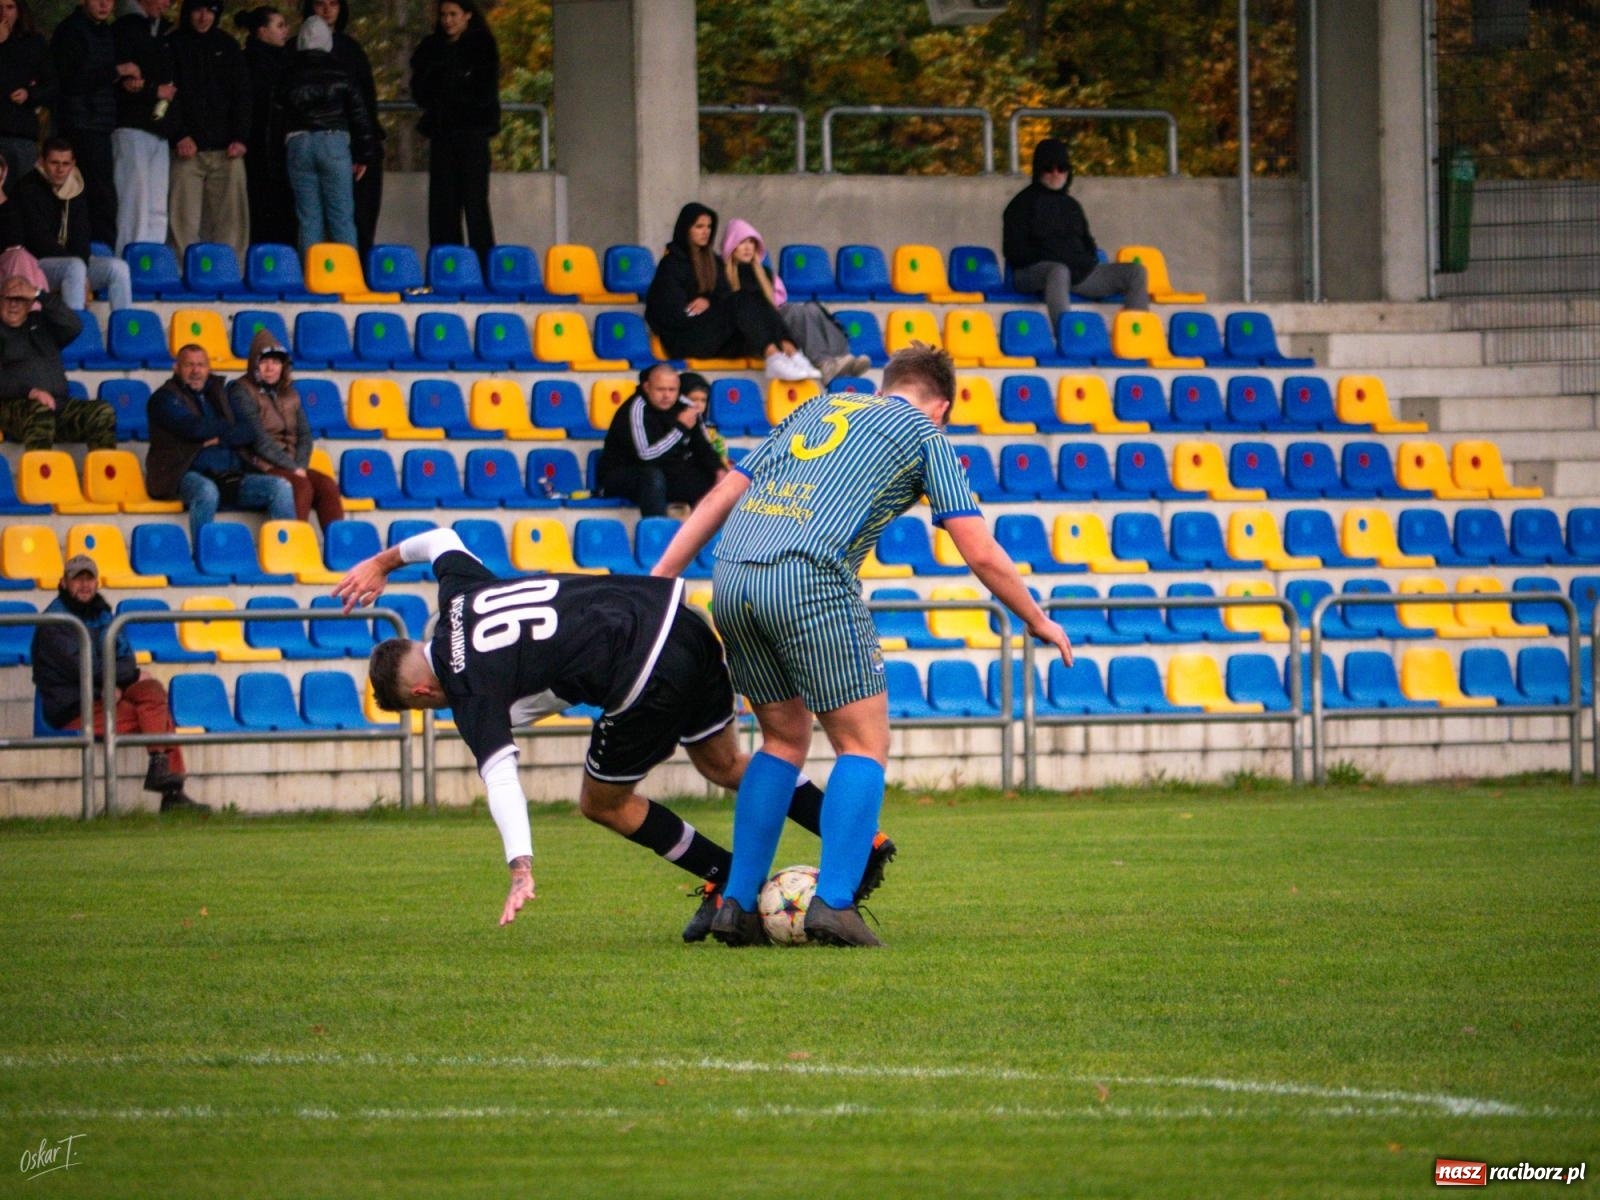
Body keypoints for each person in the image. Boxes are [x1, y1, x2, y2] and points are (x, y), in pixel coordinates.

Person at [651, 343, 1074, 947]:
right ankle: (835, 903)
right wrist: (1036, 618)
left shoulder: (815, 408)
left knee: (781, 740)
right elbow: (977, 548)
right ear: (942, 407)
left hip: (735, 575)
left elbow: (722, 495)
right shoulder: (926, 435)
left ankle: (737, 906)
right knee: (864, 742)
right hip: (809, 575)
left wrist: (662, 578)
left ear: (884, 386)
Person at [333, 527, 895, 939]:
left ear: (423, 693)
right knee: (724, 763)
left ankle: (725, 880)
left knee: (602, 801)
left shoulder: (465, 688)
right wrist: (382, 563)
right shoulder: (460, 595)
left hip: (640, 669)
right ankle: (860, 841)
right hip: (680, 618)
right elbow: (438, 539)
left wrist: (520, 867)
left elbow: (501, 779)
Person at [31, 554, 208, 812]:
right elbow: (83, 669)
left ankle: (161, 769)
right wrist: (114, 681)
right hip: (75, 706)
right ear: (63, 583)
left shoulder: (105, 615)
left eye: (88, 579)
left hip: (109, 695)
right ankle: (171, 791)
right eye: (77, 579)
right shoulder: (56, 623)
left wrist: (119, 680)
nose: (84, 585)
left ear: (97, 582)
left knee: (153, 690)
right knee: (156, 718)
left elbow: (127, 659)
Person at [645, 202, 819, 383]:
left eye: (709, 227)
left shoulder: (712, 261)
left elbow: (722, 294)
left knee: (754, 298)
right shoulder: (671, 265)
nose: (706, 232)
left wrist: (708, 300)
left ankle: (790, 352)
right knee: (741, 299)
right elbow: (666, 314)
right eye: (699, 227)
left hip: (713, 336)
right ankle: (774, 356)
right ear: (686, 229)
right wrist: (698, 310)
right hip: (686, 338)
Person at [145, 343, 295, 542]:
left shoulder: (221, 393)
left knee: (280, 487)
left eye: (201, 365)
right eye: (189, 365)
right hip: (182, 473)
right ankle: (204, 555)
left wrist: (220, 439)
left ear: (209, 368)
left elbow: (250, 429)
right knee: (206, 492)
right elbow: (194, 428)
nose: (196, 371)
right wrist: (227, 425)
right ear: (176, 368)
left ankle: (288, 554)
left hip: (228, 475)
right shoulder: (163, 398)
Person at [1003, 137, 1149, 329]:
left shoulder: (1072, 206)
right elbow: (1013, 251)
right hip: (1033, 273)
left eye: (1061, 168)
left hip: (1078, 273)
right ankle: (1067, 335)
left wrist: (1083, 262)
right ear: (1038, 170)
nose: (1055, 173)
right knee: (1058, 271)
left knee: (1136, 272)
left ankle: (1136, 336)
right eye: (1048, 168)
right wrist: (1051, 256)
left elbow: (1088, 243)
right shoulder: (1021, 205)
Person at [721, 216, 868, 386]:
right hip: (751, 337)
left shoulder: (765, 273)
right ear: (731, 245)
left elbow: (776, 304)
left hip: (775, 328)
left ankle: (839, 359)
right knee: (794, 310)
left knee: (811, 308)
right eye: (742, 242)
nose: (748, 247)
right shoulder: (722, 276)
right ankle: (824, 362)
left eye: (751, 242)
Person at [409, 0, 498, 270]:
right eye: (444, 15)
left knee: (475, 203)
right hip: (442, 133)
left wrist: (455, 91)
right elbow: (420, 91)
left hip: (472, 133)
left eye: (454, 15)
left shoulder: (482, 47)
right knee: (443, 205)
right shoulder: (431, 49)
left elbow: (483, 91)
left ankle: (483, 267)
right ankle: (447, 266)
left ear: (468, 15)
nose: (448, 20)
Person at [226, 327, 343, 530]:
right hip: (258, 464)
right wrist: (293, 469)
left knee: (327, 485)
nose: (270, 368)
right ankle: (293, 550)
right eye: (264, 362)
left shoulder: (290, 393)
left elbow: (305, 435)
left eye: (276, 362)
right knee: (301, 486)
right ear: (254, 363)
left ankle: (343, 553)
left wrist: (300, 466)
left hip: (289, 464)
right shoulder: (241, 391)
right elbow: (257, 439)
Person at [279, 14, 376, 254]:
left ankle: (312, 279)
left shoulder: (287, 73)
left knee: (308, 218)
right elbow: (360, 116)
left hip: (298, 143)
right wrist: (364, 155)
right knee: (341, 216)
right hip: (334, 142)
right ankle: (345, 277)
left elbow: (277, 116)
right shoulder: (342, 72)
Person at [166, 0, 251, 262]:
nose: (203, 17)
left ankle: (230, 271)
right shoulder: (173, 45)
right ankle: (182, 272)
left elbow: (243, 96)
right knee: (182, 220)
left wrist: (240, 137)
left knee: (232, 218)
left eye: (209, 11)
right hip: (186, 150)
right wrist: (179, 134)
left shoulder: (227, 45)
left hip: (227, 149)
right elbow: (166, 97)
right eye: (198, 10)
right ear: (188, 12)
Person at [301, 0, 382, 258]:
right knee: (335, 218)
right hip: (328, 142)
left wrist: (363, 150)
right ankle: (343, 271)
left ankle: (348, 269)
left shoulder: (351, 51)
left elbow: (365, 104)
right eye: (320, 4)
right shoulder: (295, 53)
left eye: (333, 4)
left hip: (338, 141)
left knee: (339, 216)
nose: (327, 10)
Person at [50, 0, 134, 248]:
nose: (104, 4)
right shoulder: (70, 31)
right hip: (79, 124)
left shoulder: (105, 32)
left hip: (99, 123)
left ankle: (101, 253)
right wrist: (116, 71)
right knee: (87, 194)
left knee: (101, 197)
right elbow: (70, 80)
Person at [13, 138, 134, 310]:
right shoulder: (28, 188)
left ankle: (124, 328)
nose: (60, 169)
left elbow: (81, 235)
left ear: (73, 164)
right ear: (41, 161)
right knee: (75, 267)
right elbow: (39, 241)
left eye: (65, 163)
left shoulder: (75, 187)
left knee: (118, 268)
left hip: (73, 264)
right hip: (37, 264)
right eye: (54, 163)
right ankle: (75, 331)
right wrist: (80, 270)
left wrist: (82, 269)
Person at [0, 274, 115, 450]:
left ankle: (102, 474)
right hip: (14, 407)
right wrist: (30, 391)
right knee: (40, 413)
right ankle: (39, 475)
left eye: (21, 299)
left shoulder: (41, 323)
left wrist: (40, 294)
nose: (14, 304)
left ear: (31, 303)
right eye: (8, 298)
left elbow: (74, 325)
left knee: (102, 412)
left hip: (57, 405)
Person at [597, 362, 726, 519]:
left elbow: (702, 446)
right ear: (647, 388)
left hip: (665, 470)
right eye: (660, 389)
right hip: (624, 473)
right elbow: (646, 456)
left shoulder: (686, 407)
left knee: (714, 478)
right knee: (652, 476)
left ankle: (709, 536)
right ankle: (657, 533)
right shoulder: (635, 409)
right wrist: (680, 428)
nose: (667, 395)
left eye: (672, 390)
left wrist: (719, 469)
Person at [111, 0, 178, 253]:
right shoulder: (124, 29)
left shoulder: (160, 32)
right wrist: (152, 90)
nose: (166, 4)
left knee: (157, 206)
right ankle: (128, 265)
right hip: (131, 127)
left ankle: (150, 265)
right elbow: (123, 84)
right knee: (133, 202)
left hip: (158, 128)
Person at [233, 5, 294, 248]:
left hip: (274, 149)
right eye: (279, 26)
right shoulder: (252, 64)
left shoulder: (283, 62)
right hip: (259, 150)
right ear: (261, 31)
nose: (285, 31)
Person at [0, 0, 54, 181]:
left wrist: (30, 94)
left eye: (9, 7)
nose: (3, 13)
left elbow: (52, 86)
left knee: (23, 200)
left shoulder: (33, 43)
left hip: (22, 134)